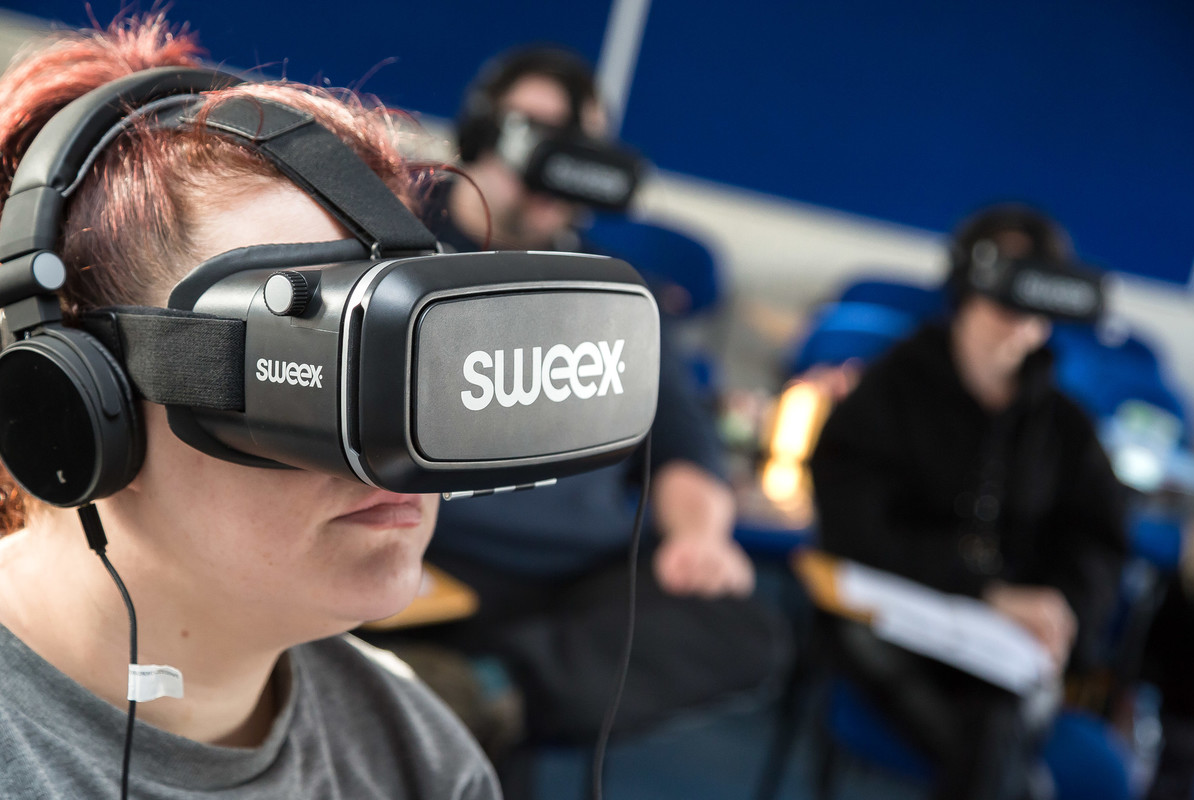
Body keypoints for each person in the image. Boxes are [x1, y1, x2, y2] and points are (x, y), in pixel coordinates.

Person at [0, 16, 499, 798]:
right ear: (76, 397)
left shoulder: (422, 760)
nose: (395, 441)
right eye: (316, 360)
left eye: (407, 359)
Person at [374, 45, 791, 758]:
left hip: (583, 572)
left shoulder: (619, 290)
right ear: (481, 133)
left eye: (578, 145)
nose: (553, 165)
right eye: (534, 134)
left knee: (741, 624)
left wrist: (700, 536)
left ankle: (490, 688)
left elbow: (684, 445)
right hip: (436, 548)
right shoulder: (390, 247)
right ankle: (486, 695)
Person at [809, 204, 1128, 800]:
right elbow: (855, 527)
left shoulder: (1066, 427)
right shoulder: (889, 391)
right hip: (892, 624)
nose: (1017, 323)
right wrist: (984, 589)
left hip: (1012, 650)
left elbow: (1096, 543)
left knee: (994, 718)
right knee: (990, 745)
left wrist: (1062, 610)